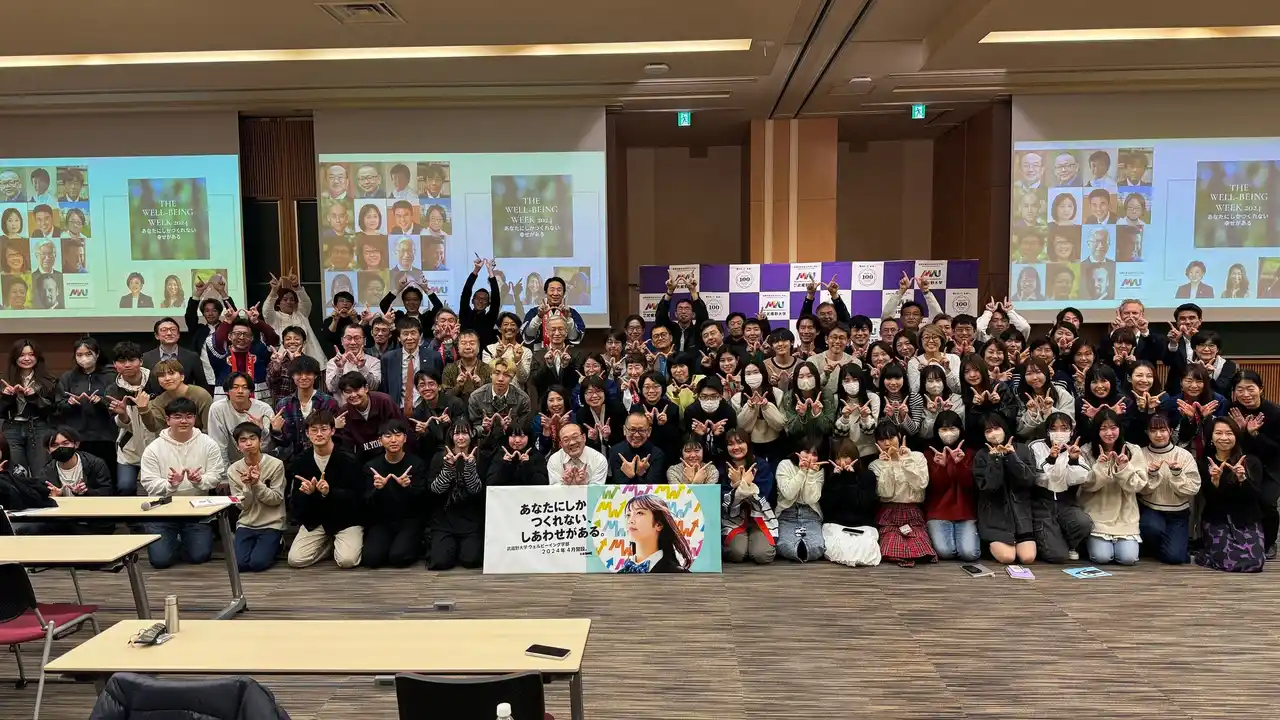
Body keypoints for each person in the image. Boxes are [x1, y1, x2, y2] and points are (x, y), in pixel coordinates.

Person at [138, 398, 225, 569]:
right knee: (160, 561)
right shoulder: (153, 448)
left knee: (199, 556)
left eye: (189, 416)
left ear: (194, 419)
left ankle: (181, 540)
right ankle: (172, 540)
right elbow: (148, 482)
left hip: (197, 510)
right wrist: (171, 485)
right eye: (178, 417)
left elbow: (216, 475)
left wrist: (200, 481)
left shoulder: (208, 444)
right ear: (167, 419)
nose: (184, 421)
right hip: (162, 510)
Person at [287, 410, 364, 568]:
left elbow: (358, 498)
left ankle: (341, 543)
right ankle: (328, 547)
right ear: (307, 433)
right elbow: (295, 503)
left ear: (333, 431)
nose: (319, 434)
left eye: (324, 429)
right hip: (315, 520)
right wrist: (308, 494)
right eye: (314, 430)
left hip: (346, 520)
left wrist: (330, 493)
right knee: (295, 560)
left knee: (347, 561)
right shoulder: (301, 461)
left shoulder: (349, 459)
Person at [1196, 417, 1267, 572]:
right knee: (1228, 560)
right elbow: (1209, 499)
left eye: (1229, 433)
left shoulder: (1251, 461)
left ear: (1236, 436)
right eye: (1218, 433)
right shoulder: (1206, 463)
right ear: (1211, 437)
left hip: (1246, 519)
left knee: (1256, 562)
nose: (1224, 438)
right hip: (1217, 520)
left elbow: (1255, 496)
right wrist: (1214, 482)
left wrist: (1242, 479)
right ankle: (1207, 554)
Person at [12, 429, 112, 535]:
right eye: (55, 445)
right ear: (48, 450)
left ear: (76, 444)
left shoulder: (96, 464)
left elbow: (107, 493)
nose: (61, 448)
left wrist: (85, 492)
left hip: (92, 521)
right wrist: (54, 498)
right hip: (63, 521)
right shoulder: (45, 473)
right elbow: (39, 504)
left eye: (65, 443)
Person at [1079, 409, 1146, 565]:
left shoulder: (1133, 450)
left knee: (1128, 558)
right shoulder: (1086, 451)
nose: (1109, 433)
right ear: (1096, 431)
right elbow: (1086, 485)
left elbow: (1138, 485)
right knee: (1102, 557)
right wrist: (1100, 467)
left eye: (1113, 427)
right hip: (1097, 514)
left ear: (1120, 428)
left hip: (1125, 516)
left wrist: (1124, 468)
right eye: (1103, 428)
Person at [972, 414, 1037, 564]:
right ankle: (989, 544)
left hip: (1021, 516)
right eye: (988, 431)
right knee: (1008, 557)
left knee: (1027, 558)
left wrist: (1011, 456)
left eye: (996, 428)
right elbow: (988, 487)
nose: (993, 433)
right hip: (994, 517)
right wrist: (995, 460)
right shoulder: (981, 455)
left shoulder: (1023, 449)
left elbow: (1028, 480)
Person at [363, 419, 428, 568]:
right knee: (371, 558)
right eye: (387, 436)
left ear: (405, 438)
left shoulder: (416, 464)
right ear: (380, 440)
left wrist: (408, 486)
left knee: (399, 557)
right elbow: (366, 501)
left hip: (409, 520)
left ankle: (413, 544)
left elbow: (423, 499)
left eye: (398, 435)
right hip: (383, 521)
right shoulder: (371, 466)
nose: (393, 440)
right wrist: (377, 489)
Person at [870, 421, 935, 566]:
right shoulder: (876, 465)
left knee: (920, 546)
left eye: (891, 437)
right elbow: (885, 493)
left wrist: (905, 461)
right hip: (889, 512)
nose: (887, 443)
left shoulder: (917, 457)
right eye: (882, 440)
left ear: (899, 436)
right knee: (890, 547)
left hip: (913, 511)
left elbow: (920, 485)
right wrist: (888, 465)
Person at [226, 422, 286, 572]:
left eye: (252, 438)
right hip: (246, 523)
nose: (248, 443)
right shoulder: (233, 470)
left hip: (271, 523)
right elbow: (242, 505)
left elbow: (276, 499)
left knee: (257, 564)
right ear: (237, 445)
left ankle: (278, 543)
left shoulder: (276, 465)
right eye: (243, 440)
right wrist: (247, 486)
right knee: (240, 565)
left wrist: (257, 484)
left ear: (260, 441)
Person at [428, 419, 486, 569]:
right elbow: (436, 490)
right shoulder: (439, 457)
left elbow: (476, 491)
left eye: (465, 433)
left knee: (471, 560)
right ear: (451, 436)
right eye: (457, 433)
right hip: (444, 519)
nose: (461, 437)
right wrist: (448, 468)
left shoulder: (480, 457)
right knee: (440, 562)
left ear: (471, 435)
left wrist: (470, 468)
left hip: (470, 520)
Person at [922, 411, 980, 562]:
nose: (948, 433)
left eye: (952, 429)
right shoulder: (930, 454)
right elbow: (935, 488)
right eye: (943, 429)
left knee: (969, 553)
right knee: (945, 552)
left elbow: (970, 485)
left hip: (965, 511)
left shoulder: (969, 453)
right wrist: (941, 467)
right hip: (938, 512)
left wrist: (959, 465)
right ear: (937, 431)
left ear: (960, 429)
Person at [1, 338, 57, 473]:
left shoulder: (49, 380)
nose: (27, 358)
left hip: (39, 427)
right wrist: (6, 397)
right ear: (15, 357)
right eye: (22, 355)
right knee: (17, 472)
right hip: (12, 427)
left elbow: (52, 410)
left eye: (31, 354)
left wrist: (34, 397)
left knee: (41, 470)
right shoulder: (4, 380)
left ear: (37, 357)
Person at [270, 355, 340, 463]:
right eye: (299, 374)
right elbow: (283, 444)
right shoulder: (283, 405)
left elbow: (336, 437)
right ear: (292, 376)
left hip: (325, 458)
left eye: (308, 373)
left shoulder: (328, 402)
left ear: (315, 375)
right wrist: (276, 430)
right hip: (294, 461)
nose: (303, 377)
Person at [774, 440, 827, 562]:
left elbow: (810, 499)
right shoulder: (785, 465)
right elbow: (789, 494)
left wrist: (811, 473)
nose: (810, 457)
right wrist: (802, 471)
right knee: (786, 546)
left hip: (810, 513)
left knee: (816, 548)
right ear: (798, 451)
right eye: (807, 452)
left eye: (814, 454)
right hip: (787, 512)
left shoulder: (819, 470)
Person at [138, 358, 214, 434]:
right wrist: (143, 409)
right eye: (161, 375)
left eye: (171, 373)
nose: (167, 378)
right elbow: (154, 427)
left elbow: (209, 428)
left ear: (182, 377)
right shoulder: (158, 402)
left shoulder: (201, 395)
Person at [263, 272, 324, 362]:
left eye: (292, 299)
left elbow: (306, 302)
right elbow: (266, 310)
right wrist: (274, 290)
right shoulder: (274, 317)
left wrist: (296, 286)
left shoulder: (301, 314)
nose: (289, 302)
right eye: (285, 299)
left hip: (308, 358)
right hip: (283, 360)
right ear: (278, 303)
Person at [143, 318, 208, 393]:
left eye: (173, 329)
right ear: (157, 336)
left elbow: (202, 385)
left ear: (178, 334)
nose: (169, 333)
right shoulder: (146, 358)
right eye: (164, 330)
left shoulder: (192, 357)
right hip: (156, 399)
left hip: (185, 398)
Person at [467, 357, 532, 430]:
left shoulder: (523, 399)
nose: (500, 379)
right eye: (497, 373)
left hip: (511, 436)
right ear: (490, 374)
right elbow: (474, 428)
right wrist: (484, 428)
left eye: (506, 375)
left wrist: (511, 426)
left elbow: (524, 429)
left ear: (512, 377)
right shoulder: (476, 397)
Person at [608, 411, 665, 484]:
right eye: (632, 430)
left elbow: (654, 487)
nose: (636, 435)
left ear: (649, 431)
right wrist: (631, 476)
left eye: (641, 430)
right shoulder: (615, 451)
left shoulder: (657, 454)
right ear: (624, 430)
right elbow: (616, 486)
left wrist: (639, 474)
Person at [326, 323, 381, 393]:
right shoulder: (333, 362)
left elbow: (374, 387)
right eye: (348, 338)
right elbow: (332, 389)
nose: (353, 342)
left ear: (364, 341)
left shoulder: (374, 362)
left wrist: (362, 368)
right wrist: (339, 368)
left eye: (357, 338)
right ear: (342, 341)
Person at [459, 257, 502, 348]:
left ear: (488, 304)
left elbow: (496, 299)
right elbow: (465, 293)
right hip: (464, 353)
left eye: (484, 299)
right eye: (478, 298)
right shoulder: (465, 314)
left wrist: (490, 272)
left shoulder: (489, 318)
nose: (481, 301)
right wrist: (476, 270)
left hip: (484, 355)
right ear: (472, 301)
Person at [441, 330, 492, 401]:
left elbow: (492, 396)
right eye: (463, 343)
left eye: (472, 343)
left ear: (478, 348)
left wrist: (480, 385)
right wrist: (458, 386)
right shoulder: (449, 368)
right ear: (458, 348)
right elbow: (445, 398)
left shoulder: (488, 369)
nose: (468, 347)